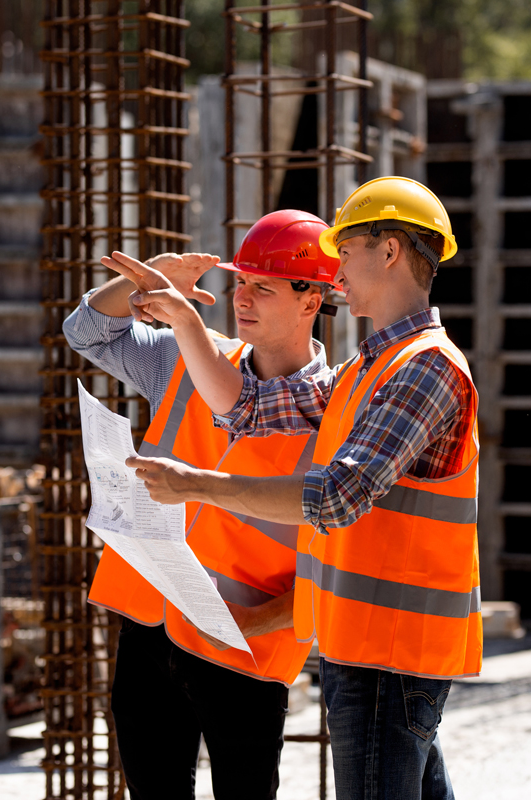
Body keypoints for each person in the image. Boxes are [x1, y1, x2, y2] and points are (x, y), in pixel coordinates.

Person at [126, 177, 482, 800]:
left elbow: (337, 496)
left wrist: (196, 485)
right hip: (362, 646)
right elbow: (252, 409)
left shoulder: (426, 365)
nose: (334, 265)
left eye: (346, 249)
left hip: (390, 655)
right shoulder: (365, 367)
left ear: (390, 250)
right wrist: (184, 318)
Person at [63, 209, 341, 800]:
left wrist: (255, 623)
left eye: (262, 287)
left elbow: (340, 557)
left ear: (310, 301)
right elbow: (88, 333)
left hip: (247, 647)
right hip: (151, 628)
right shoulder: (191, 357)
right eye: (241, 282)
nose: (243, 298)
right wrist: (146, 280)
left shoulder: (337, 412)